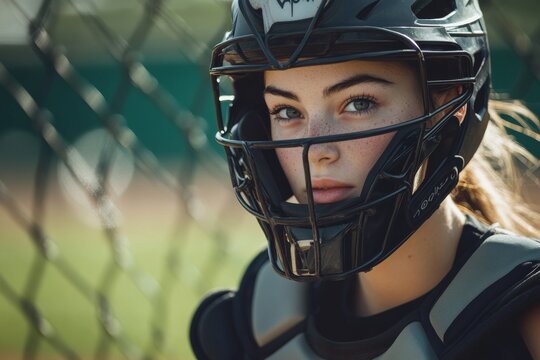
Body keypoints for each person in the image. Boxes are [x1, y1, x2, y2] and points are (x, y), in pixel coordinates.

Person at [190, 0, 540, 358]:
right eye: (287, 111)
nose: (317, 151)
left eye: (358, 104)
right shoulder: (255, 319)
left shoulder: (524, 318)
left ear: (447, 105)